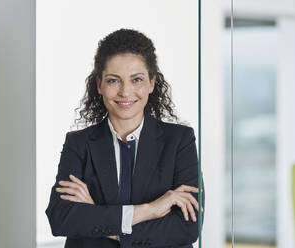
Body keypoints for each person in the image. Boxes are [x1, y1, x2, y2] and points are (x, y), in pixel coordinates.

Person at [45, 28, 205, 248]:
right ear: (99, 84)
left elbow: (186, 228)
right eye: (113, 81)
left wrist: (98, 216)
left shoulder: (179, 140)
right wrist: (149, 210)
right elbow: (61, 218)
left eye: (136, 79)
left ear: (151, 83)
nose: (125, 92)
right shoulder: (79, 143)